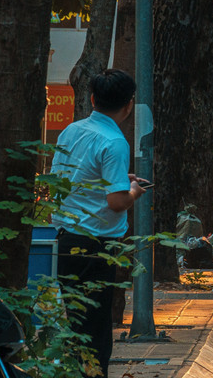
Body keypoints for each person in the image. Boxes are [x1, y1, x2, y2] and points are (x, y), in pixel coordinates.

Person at [50, 69, 147, 376]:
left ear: (92, 98)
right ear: (129, 105)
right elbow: (116, 202)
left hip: (64, 239)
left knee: (75, 324)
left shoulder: (70, 131)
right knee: (96, 331)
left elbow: (66, 181)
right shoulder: (115, 141)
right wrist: (132, 190)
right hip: (96, 246)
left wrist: (119, 181)